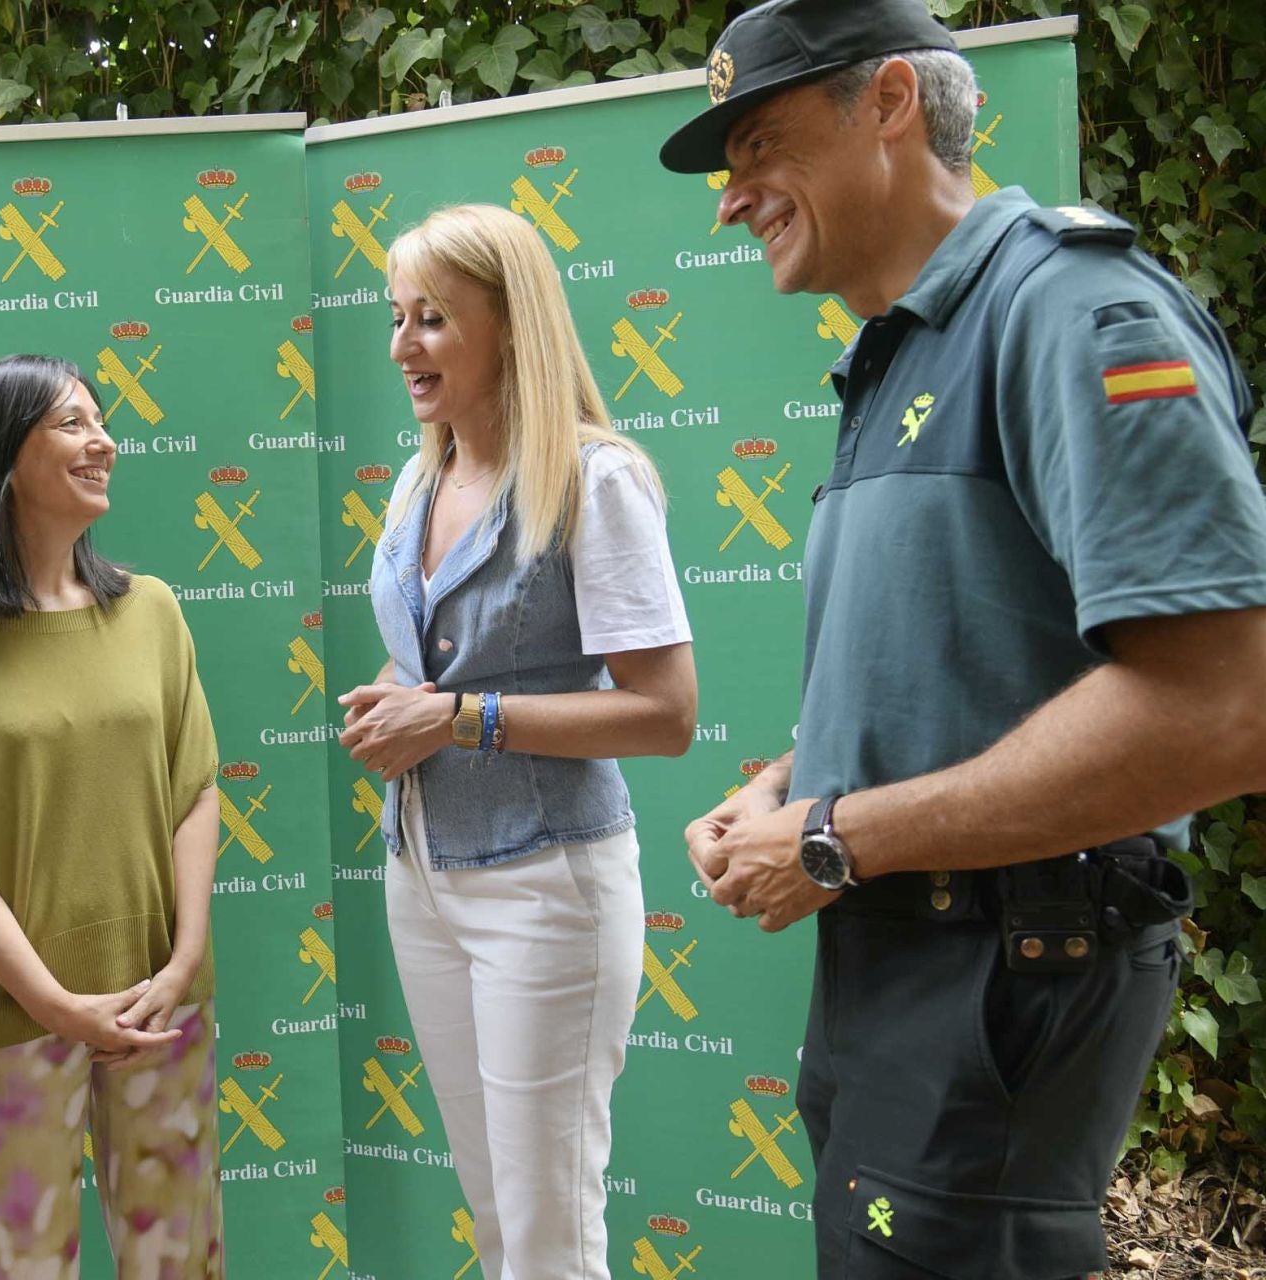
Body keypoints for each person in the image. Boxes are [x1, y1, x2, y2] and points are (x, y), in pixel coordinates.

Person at [662, 1, 1266, 1275]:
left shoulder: (1074, 308)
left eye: (760, 144)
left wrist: (832, 836)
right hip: (903, 974)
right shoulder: (899, 357)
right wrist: (791, 786)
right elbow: (971, 667)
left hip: (1003, 980)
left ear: (887, 102)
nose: (734, 197)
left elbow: (1226, 707)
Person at [336, 203, 698, 1280]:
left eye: (432, 319)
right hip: (423, 877)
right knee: (499, 1222)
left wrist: (455, 715)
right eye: (398, 318)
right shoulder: (419, 480)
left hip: (549, 888)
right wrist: (404, 701)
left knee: (549, 1237)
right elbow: (438, 664)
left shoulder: (598, 481)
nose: (402, 345)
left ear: (511, 326)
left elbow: (667, 713)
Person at [0, 353, 224, 1278]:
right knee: (8, 1267)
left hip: (156, 1003)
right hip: (1, 1012)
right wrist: (52, 1002)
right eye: (71, 423)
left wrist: (181, 962)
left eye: (101, 421)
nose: (103, 440)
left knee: (179, 1261)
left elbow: (194, 792)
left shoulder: (153, 613)